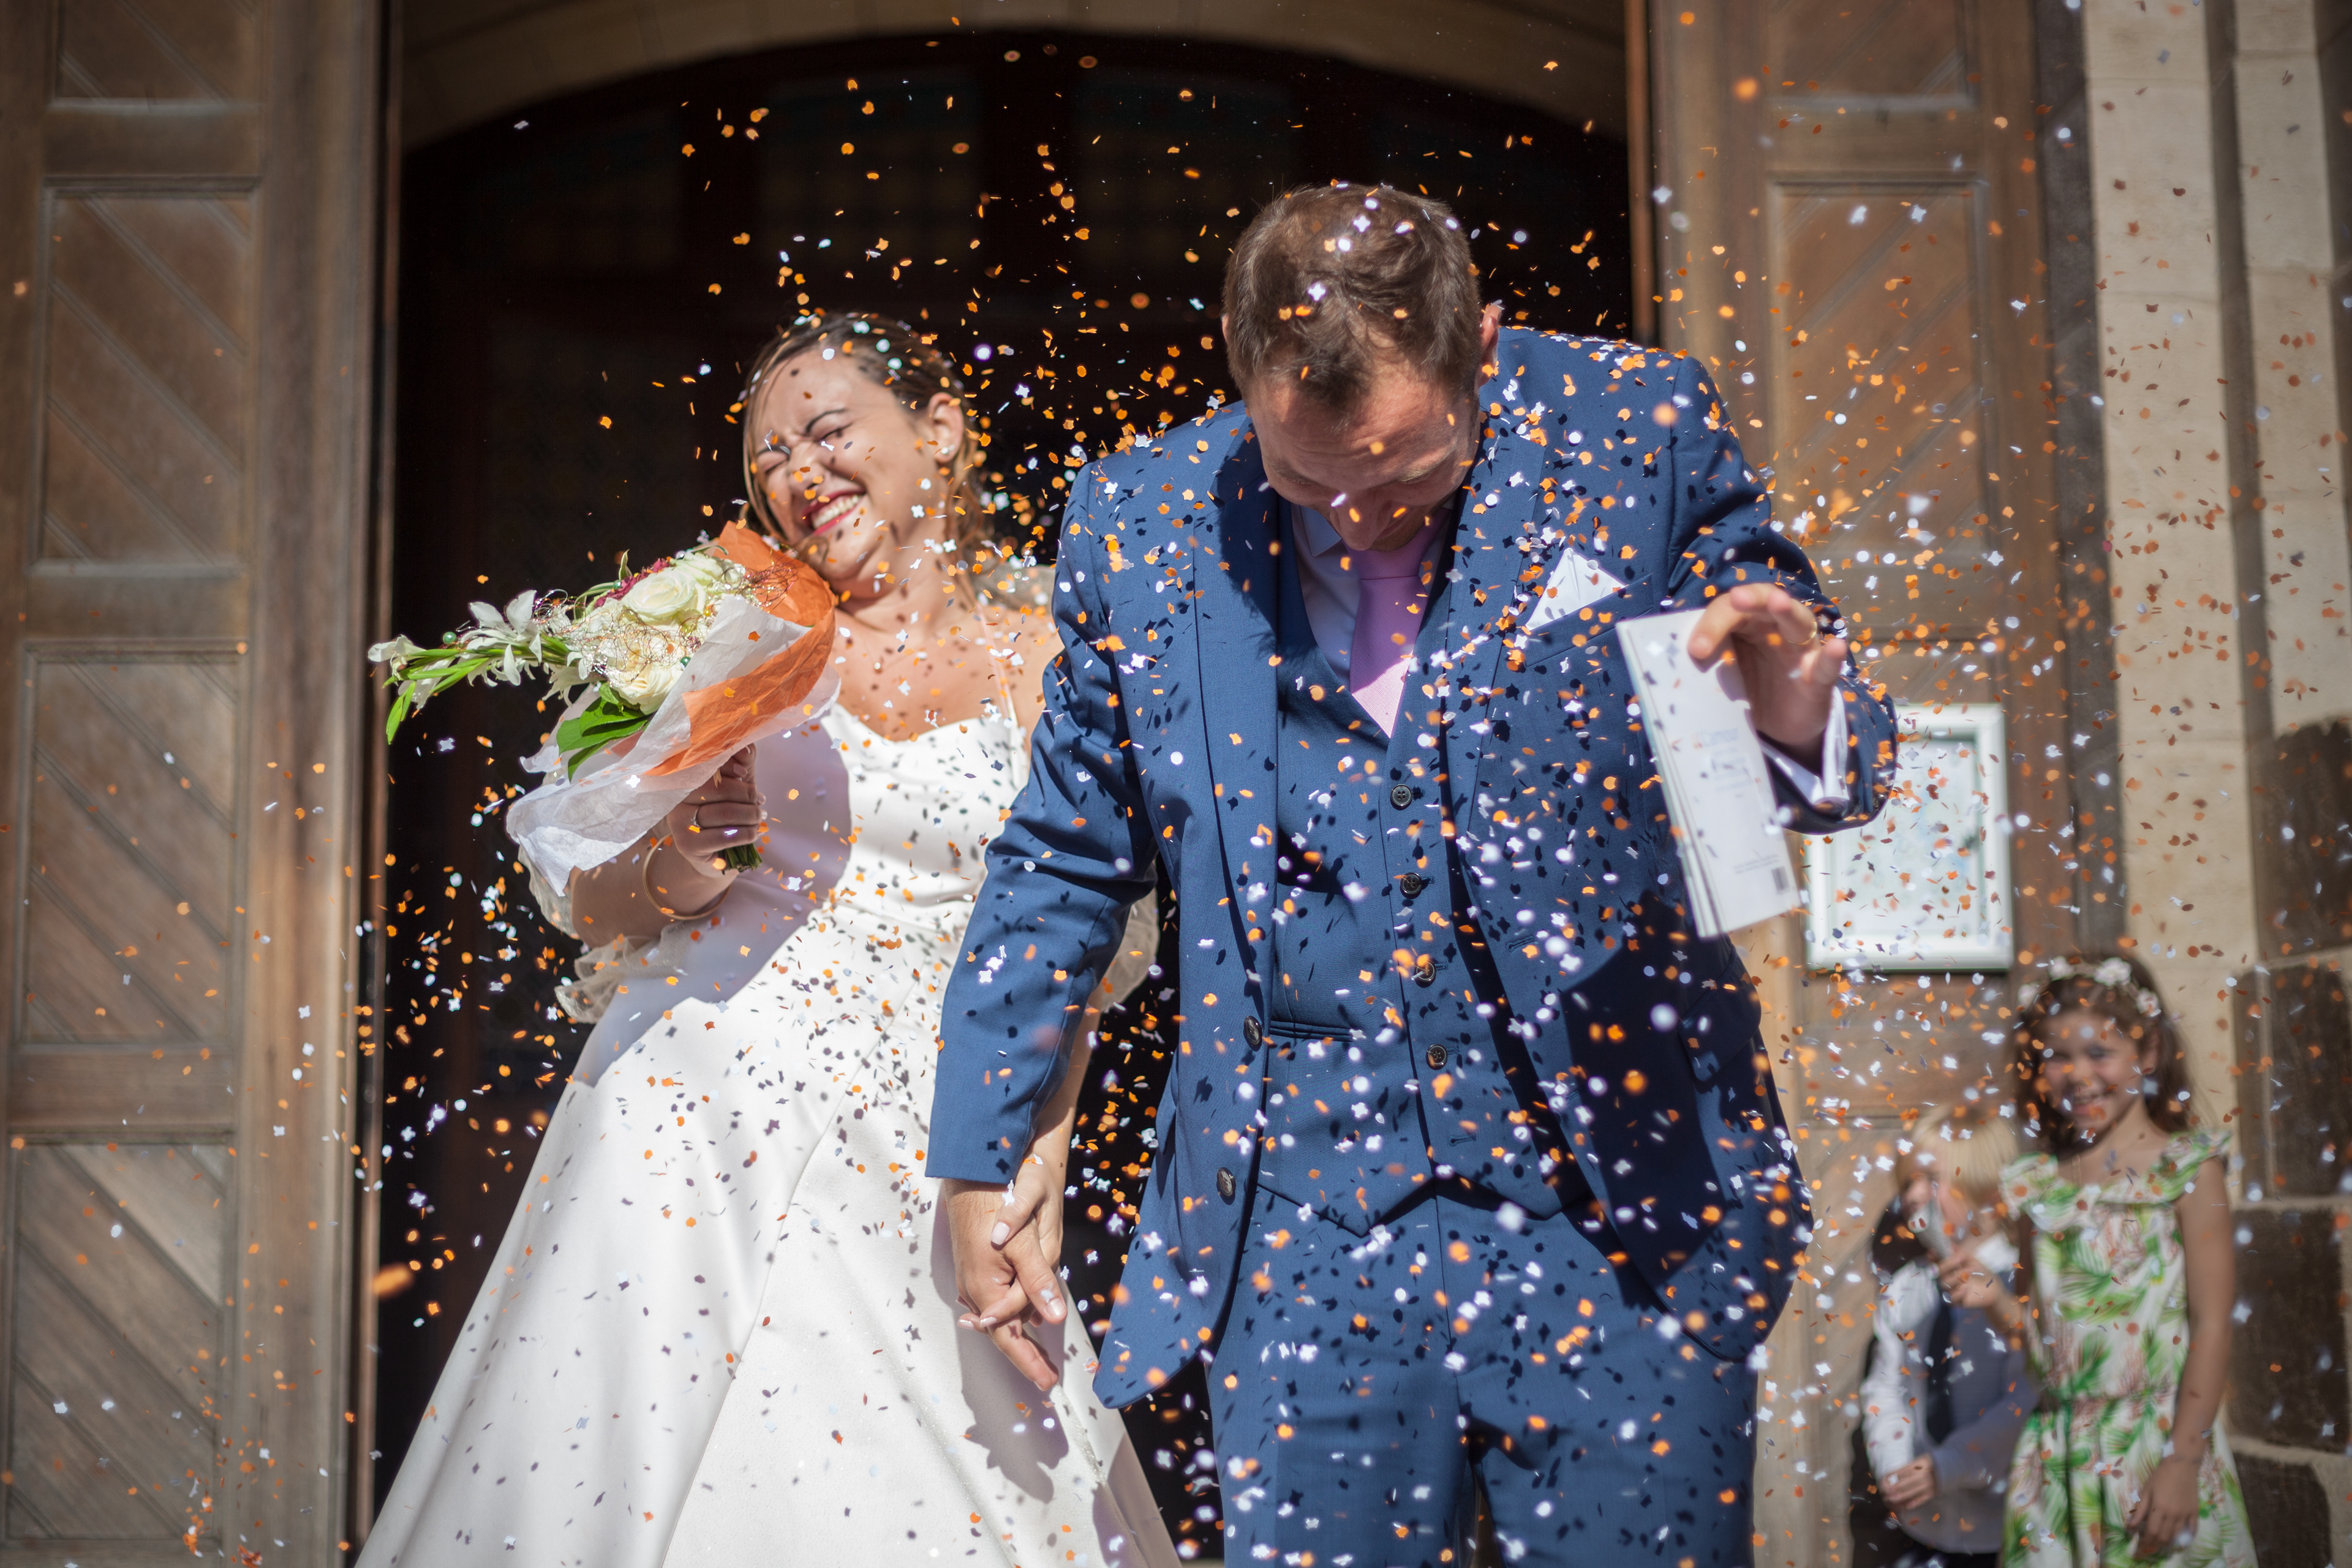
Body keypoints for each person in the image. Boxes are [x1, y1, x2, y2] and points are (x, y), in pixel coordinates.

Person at [926, 182, 1900, 1566]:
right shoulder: (1135, 519)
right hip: (1298, 1228)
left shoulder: (1635, 424)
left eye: (1406, 478)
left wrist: (1797, 708)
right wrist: (979, 1158)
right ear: (1239, 377)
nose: (1359, 521)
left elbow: (1822, 758)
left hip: (1613, 1210)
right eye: (1309, 480)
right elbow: (1063, 858)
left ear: (1483, 347)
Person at [360, 314, 1175, 1567]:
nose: (799, 475)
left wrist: (1037, 1162)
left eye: (829, 432)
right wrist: (682, 857)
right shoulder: (728, 634)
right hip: (705, 1114)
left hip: (938, 1138)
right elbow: (585, 885)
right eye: (770, 460)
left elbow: (1086, 959)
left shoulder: (1047, 660)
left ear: (942, 430)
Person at [1941, 954, 2253, 1567]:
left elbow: (2213, 1325)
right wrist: (1998, 1302)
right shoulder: (2036, 1187)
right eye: (2057, 1056)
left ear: (2151, 1050)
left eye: (2098, 1052)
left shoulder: (2189, 1169)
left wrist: (2183, 1461)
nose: (2077, 1074)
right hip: (2058, 1461)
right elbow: (2048, 1346)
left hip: (2158, 1448)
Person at [1857, 1107, 2034, 1568]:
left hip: (2007, 1529)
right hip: (1923, 1528)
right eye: (1907, 1182)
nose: (1912, 1196)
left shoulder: (2020, 1285)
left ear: (1987, 1186)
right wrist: (1896, 1464)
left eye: (1931, 1179)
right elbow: (1886, 1387)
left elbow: (2028, 1399)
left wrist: (1950, 1466)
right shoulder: (1905, 1290)